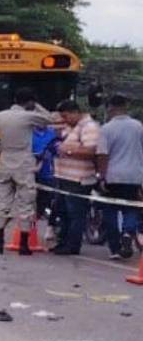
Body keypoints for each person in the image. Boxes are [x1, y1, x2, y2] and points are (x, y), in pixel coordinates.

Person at [0, 88, 53, 255]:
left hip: (5, 160)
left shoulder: (1, 116)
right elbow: (49, 119)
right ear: (29, 102)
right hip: (24, 163)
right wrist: (37, 105)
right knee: (25, 203)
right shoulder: (28, 116)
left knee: (2, 202)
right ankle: (24, 245)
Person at [95, 94, 143, 260]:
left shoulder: (106, 129)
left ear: (110, 108)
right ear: (126, 107)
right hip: (134, 176)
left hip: (113, 175)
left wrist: (102, 176)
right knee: (130, 207)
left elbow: (102, 154)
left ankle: (115, 248)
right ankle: (128, 233)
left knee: (110, 211)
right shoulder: (139, 126)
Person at [51, 99, 100, 256]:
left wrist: (68, 151)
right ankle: (63, 241)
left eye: (66, 116)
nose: (64, 120)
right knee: (63, 211)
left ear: (75, 113)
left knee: (75, 213)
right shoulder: (71, 127)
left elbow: (91, 151)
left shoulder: (89, 127)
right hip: (64, 177)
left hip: (78, 178)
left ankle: (73, 245)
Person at [32, 123, 61, 245]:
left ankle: (51, 226)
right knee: (35, 203)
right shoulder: (28, 133)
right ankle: (30, 230)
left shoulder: (52, 133)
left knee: (55, 201)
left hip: (51, 173)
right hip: (33, 173)